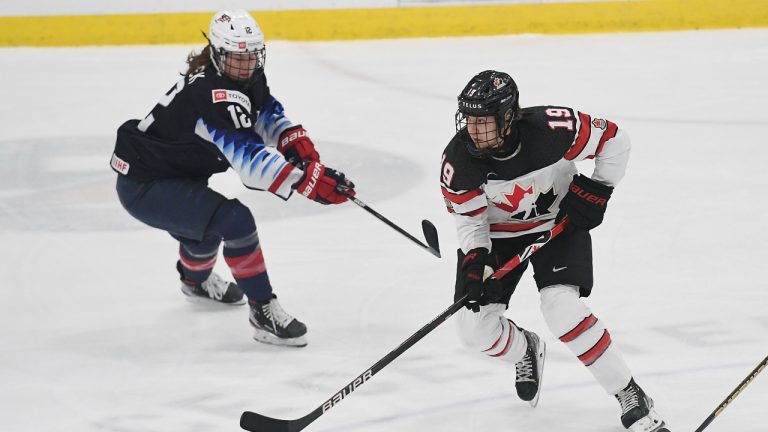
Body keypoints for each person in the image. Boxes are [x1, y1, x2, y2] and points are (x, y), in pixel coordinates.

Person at [109, 10, 355, 348]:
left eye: (252, 55)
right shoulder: (211, 94)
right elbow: (250, 162)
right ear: (217, 54)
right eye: (237, 57)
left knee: (205, 233)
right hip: (145, 186)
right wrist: (306, 180)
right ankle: (262, 311)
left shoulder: (243, 77)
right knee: (235, 221)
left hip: (173, 177)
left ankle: (194, 282)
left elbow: (265, 112)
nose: (247, 65)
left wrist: (293, 141)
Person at [440, 70, 669, 432]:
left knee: (562, 309)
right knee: (473, 331)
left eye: (484, 121)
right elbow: (471, 222)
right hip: (500, 236)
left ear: (509, 117)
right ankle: (526, 349)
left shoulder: (553, 129)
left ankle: (630, 393)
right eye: (470, 120)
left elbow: (615, 141)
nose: (473, 130)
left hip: (559, 223)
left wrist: (598, 188)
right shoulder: (459, 163)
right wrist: (475, 262)